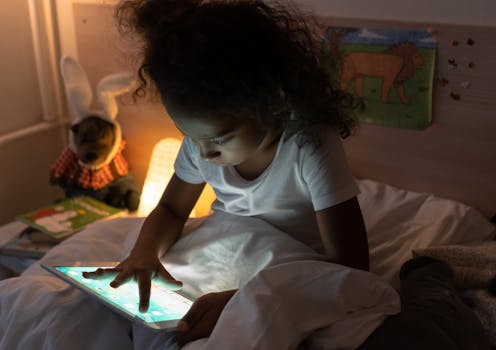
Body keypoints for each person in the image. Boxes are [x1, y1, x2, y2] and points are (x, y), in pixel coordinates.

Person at [84, 0, 369, 345]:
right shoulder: (202, 145)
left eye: (219, 137)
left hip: (287, 259)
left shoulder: (310, 142)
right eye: (191, 136)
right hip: (226, 244)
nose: (204, 152)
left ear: (272, 103)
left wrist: (242, 298)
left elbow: (352, 267)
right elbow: (172, 210)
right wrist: (143, 253)